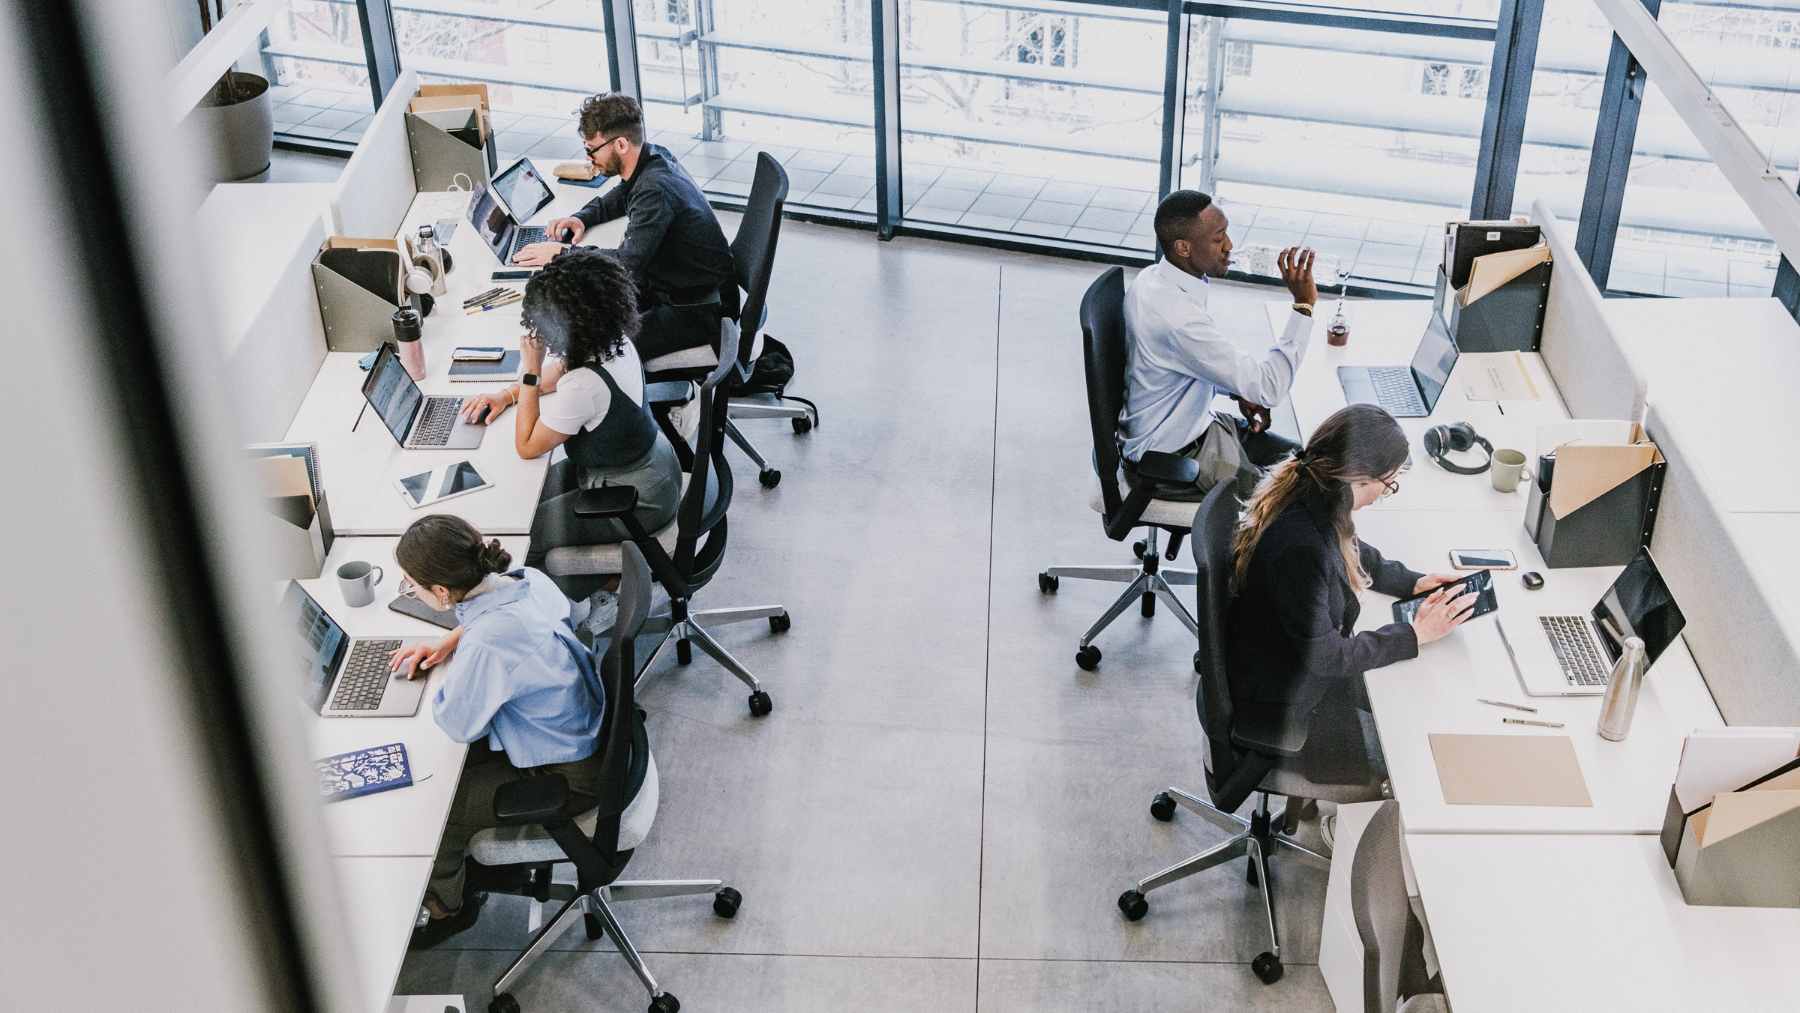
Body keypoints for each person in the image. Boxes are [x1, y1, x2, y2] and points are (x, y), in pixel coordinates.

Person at [1227, 404, 1474, 815]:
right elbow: (1327, 658)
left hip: (1273, 658)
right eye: (1389, 484)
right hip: (1285, 701)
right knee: (1409, 769)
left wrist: (1409, 581)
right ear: (1361, 477)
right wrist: (1415, 634)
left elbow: (1349, 546)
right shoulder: (1300, 547)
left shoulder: (1313, 491)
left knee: (1413, 695)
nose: (1386, 493)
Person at [387, 515, 607, 947]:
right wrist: (448, 645)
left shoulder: (489, 643)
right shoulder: (524, 580)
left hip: (568, 774)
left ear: (441, 593)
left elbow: (457, 723)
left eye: (410, 583)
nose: (408, 590)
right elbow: (486, 624)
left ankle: (448, 908)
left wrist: (460, 667)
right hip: (579, 730)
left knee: (433, 812)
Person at [459, 248, 682, 579]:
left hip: (637, 500)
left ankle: (570, 605)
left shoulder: (585, 386)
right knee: (516, 502)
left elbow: (528, 444)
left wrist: (529, 370)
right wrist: (506, 396)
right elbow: (562, 369)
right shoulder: (611, 339)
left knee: (522, 536)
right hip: (650, 468)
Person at [1119, 189, 1317, 500]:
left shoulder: (1153, 280)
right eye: (1218, 238)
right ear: (1183, 247)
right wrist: (1303, 305)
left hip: (1187, 425)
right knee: (1296, 500)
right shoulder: (1178, 319)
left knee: (1313, 466)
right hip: (1178, 453)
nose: (1230, 246)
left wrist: (1237, 389)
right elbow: (1269, 388)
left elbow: (1185, 361)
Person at [512, 92, 736, 362]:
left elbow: (627, 263)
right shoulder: (652, 158)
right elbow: (624, 194)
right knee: (585, 312)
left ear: (620, 144)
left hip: (695, 309)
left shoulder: (655, 190)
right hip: (682, 285)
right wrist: (583, 217)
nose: (588, 158)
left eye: (591, 149)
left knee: (595, 350)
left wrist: (562, 254)